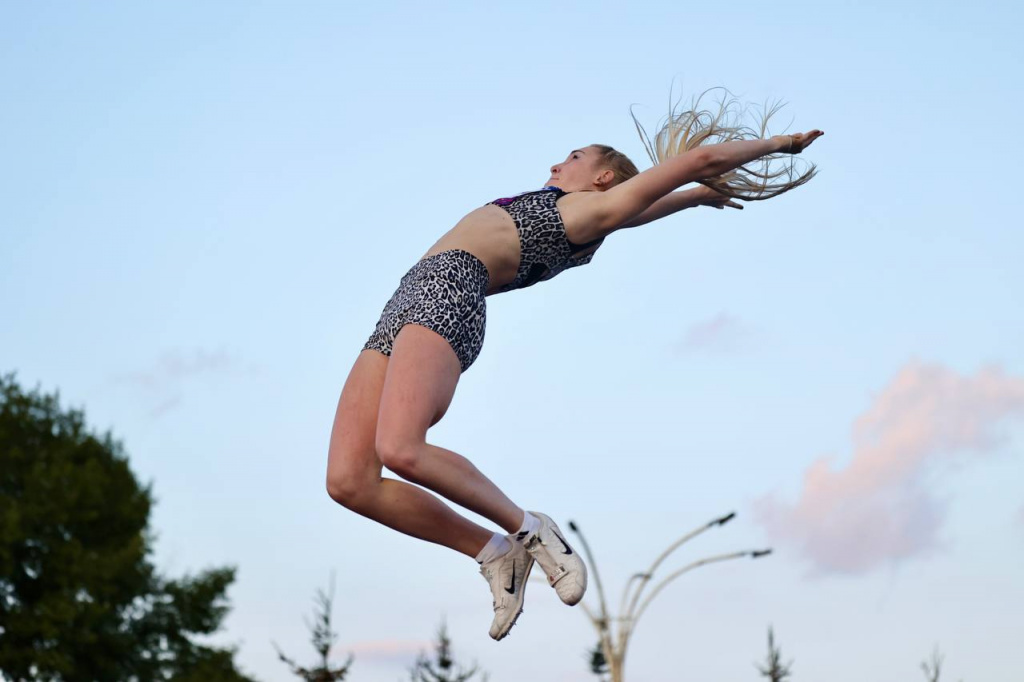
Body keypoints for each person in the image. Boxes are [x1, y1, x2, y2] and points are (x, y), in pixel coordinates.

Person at [326, 115, 823, 640]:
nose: (556, 163)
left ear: (605, 178)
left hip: (449, 290)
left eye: (575, 156)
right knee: (349, 482)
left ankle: (531, 529)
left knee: (403, 449)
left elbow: (696, 162)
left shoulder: (588, 212)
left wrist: (778, 144)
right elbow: (645, 208)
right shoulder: (588, 210)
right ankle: (495, 552)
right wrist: (694, 198)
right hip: (401, 303)